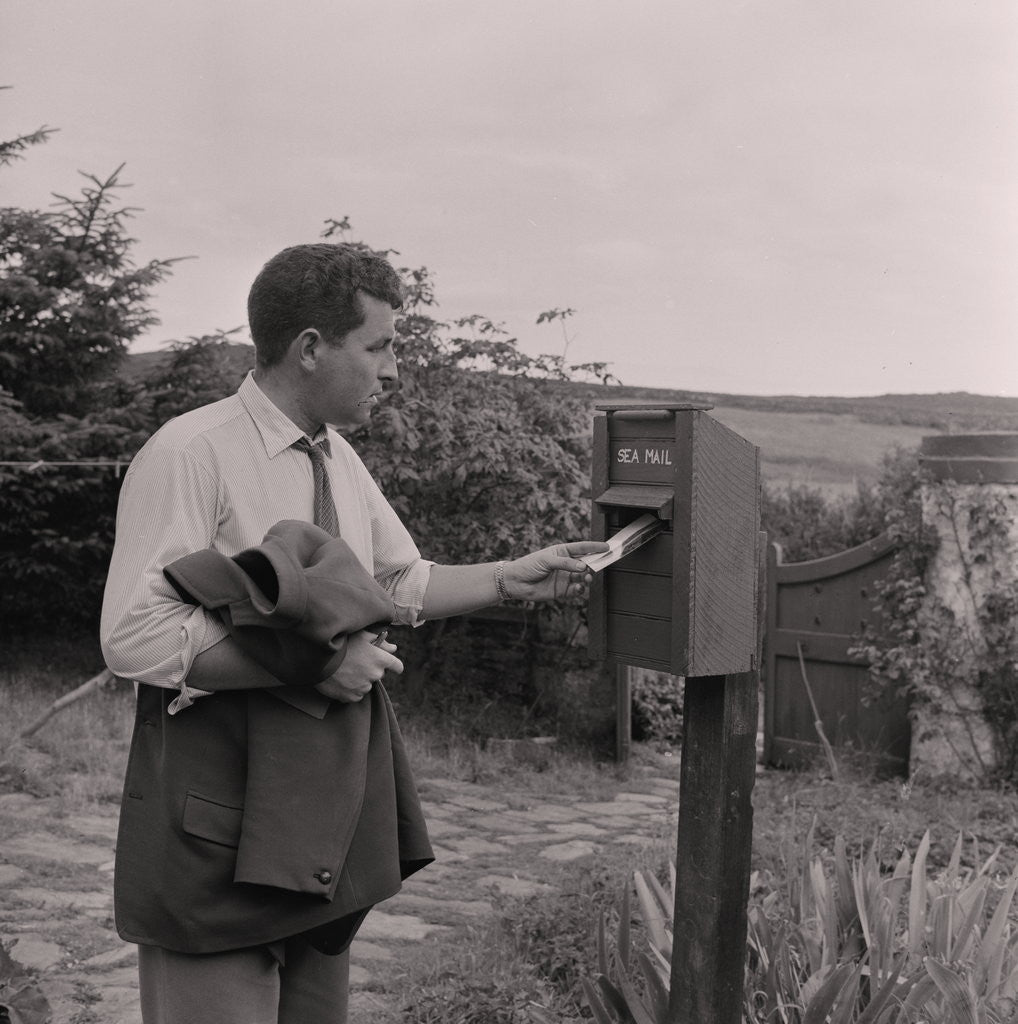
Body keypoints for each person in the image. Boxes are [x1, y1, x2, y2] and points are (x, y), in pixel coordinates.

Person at [100, 242, 606, 1024]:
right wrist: (310, 664)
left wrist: (512, 574)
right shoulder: (190, 452)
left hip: (316, 826)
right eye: (380, 346)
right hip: (216, 830)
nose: (395, 369)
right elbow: (134, 636)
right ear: (310, 349)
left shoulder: (336, 456)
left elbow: (396, 582)